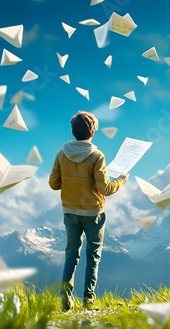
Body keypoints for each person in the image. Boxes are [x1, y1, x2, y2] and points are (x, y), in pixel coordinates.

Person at [49, 111, 128, 311]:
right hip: (93, 214)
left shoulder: (61, 154)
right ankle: (88, 300)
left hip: (70, 212)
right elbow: (105, 189)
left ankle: (66, 298)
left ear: (73, 131)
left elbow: (53, 184)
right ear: (92, 132)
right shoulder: (96, 156)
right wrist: (121, 179)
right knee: (93, 255)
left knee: (71, 254)